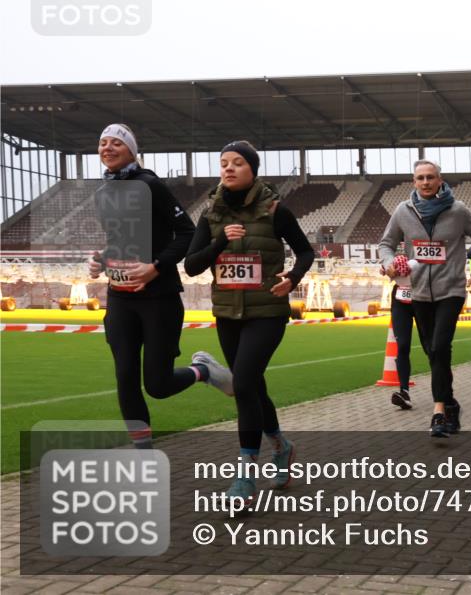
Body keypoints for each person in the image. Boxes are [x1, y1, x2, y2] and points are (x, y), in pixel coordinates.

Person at [184, 140, 315, 502]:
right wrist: (218, 244)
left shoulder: (275, 210)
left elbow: (306, 250)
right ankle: (281, 447)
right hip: (228, 314)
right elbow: (192, 265)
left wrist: (293, 277)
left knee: (242, 385)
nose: (228, 168)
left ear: (252, 170)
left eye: (237, 163)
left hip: (267, 312)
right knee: (253, 388)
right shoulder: (210, 214)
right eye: (223, 163)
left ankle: (244, 475)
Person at [88, 123, 233, 450]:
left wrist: (154, 267)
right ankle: (143, 454)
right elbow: (118, 243)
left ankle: (203, 371)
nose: (107, 148)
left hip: (159, 298)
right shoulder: (102, 194)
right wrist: (102, 260)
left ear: (131, 151)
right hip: (120, 299)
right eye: (102, 143)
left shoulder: (150, 185)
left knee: (158, 385)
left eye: (116, 143)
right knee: (125, 377)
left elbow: (186, 233)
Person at [379, 160, 471, 438]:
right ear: (414, 182)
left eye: (431, 177)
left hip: (450, 291)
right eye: (420, 178)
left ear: (440, 180)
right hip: (418, 293)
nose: (426, 182)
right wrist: (390, 261)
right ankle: (451, 404)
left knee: (440, 346)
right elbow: (386, 244)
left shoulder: (458, 210)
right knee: (433, 351)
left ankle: (439, 411)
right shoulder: (403, 211)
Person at [385, 251, 420, 410]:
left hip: (422, 296)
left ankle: (443, 392)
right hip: (400, 299)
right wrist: (388, 267)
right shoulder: (398, 229)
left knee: (431, 347)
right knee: (403, 345)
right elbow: (385, 251)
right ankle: (404, 392)